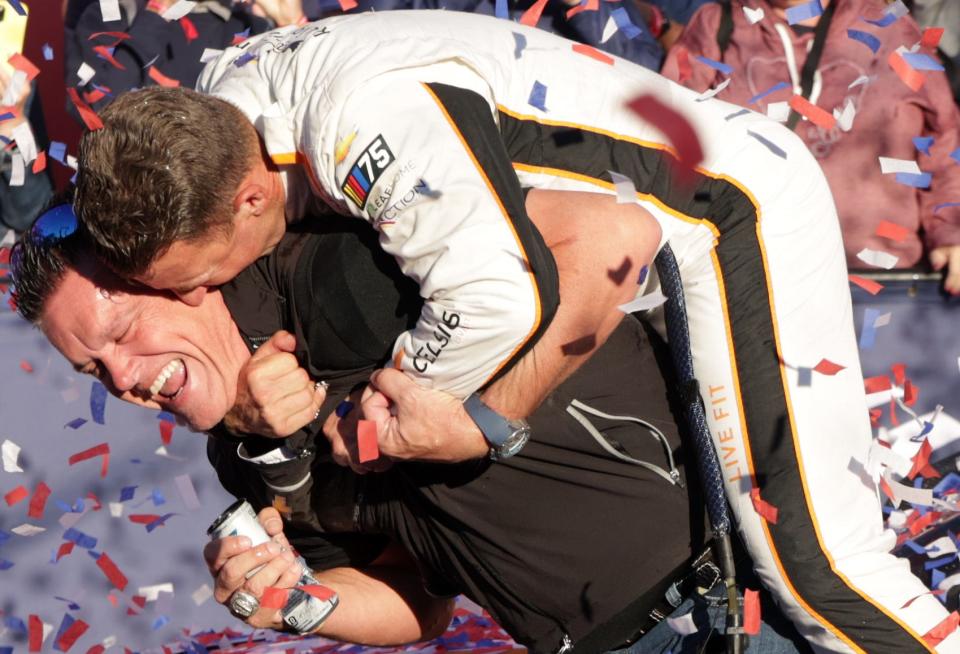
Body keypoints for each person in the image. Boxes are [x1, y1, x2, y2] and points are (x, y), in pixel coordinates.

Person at [71, 12, 958, 650]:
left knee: (817, 567)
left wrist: (427, 411)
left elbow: (497, 297)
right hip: (665, 217)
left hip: (726, 212)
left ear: (253, 197)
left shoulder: (362, 123)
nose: (214, 295)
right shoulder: (214, 117)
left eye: (201, 277)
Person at [13, 201, 809, 653]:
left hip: (741, 601)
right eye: (93, 371)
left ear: (170, 275)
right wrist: (297, 600)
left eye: (118, 337)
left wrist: (482, 419)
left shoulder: (336, 271)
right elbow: (416, 601)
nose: (122, 380)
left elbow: (613, 238)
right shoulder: (242, 451)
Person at [660, 0, 960, 294]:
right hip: (752, 284)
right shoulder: (717, 25)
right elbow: (664, 143)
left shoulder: (890, 26)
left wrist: (952, 233)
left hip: (882, 284)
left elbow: (946, 145)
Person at [64, 0, 303, 112]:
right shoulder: (113, 12)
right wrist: (157, 13)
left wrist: (293, 24)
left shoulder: (249, 26)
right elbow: (98, 110)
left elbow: (300, 106)